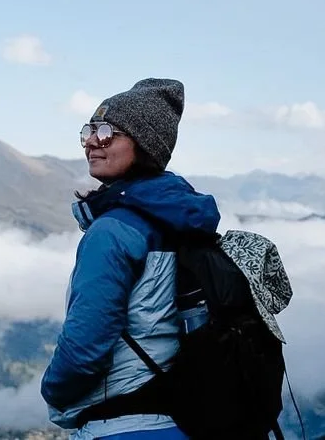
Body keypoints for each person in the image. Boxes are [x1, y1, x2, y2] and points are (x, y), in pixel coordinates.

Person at [40, 78, 221, 439]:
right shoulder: (179, 222)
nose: (92, 141)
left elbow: (85, 347)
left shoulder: (112, 232)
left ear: (144, 144)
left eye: (107, 132)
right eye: (88, 131)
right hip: (180, 421)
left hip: (120, 425)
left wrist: (53, 392)